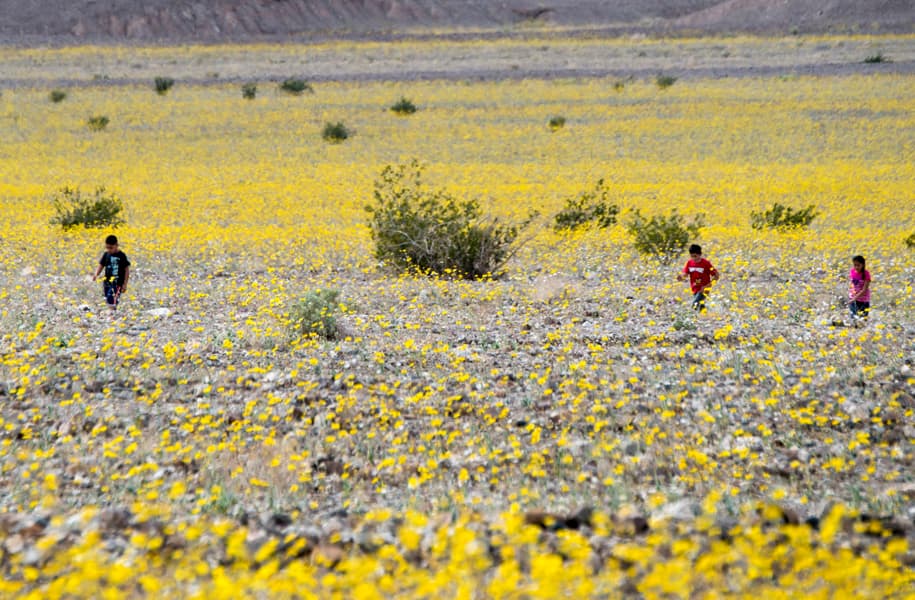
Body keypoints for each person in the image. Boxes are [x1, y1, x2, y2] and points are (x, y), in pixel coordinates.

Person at [92, 234, 130, 311]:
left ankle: (112, 314)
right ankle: (113, 312)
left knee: (111, 297)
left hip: (117, 283)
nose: (109, 250)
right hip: (107, 282)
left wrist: (125, 284)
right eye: (107, 248)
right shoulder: (106, 254)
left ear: (117, 245)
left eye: (111, 248)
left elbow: (126, 270)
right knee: (107, 298)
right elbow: (101, 265)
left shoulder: (121, 256)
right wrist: (96, 274)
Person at [677, 244, 719, 312]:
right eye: (692, 256)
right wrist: (681, 277)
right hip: (694, 288)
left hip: (704, 289)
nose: (694, 258)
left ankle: (693, 319)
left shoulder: (706, 263)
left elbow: (716, 275)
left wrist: (707, 286)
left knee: (695, 304)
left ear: (700, 254)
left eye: (695, 256)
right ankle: (706, 317)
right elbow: (685, 274)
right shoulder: (689, 263)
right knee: (700, 307)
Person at [848, 255, 871, 319]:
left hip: (863, 300)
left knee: (863, 320)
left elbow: (864, 290)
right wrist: (851, 295)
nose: (856, 267)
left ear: (863, 264)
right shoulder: (852, 271)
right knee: (854, 319)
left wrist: (854, 298)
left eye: (858, 265)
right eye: (855, 265)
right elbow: (852, 284)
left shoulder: (866, 274)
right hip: (853, 299)